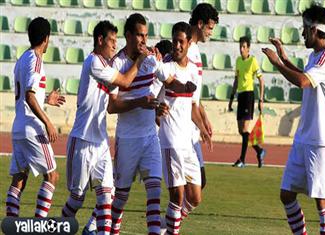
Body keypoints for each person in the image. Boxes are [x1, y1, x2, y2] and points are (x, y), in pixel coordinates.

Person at [107, 13, 197, 235]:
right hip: (127, 139)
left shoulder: (150, 59)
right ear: (128, 35)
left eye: (146, 35)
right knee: (120, 199)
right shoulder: (117, 64)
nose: (144, 40)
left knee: (155, 196)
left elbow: (168, 80)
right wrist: (141, 101)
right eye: (139, 35)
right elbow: (111, 106)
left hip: (150, 138)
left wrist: (186, 88)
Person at [60, 21, 150, 235]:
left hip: (100, 142)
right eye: (111, 40)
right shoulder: (94, 62)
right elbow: (126, 81)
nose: (114, 45)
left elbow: (115, 98)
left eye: (116, 41)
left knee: (106, 197)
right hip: (82, 140)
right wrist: (140, 58)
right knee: (76, 199)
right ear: (100, 40)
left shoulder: (106, 65)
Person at [262, 5, 325, 235]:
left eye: (305, 28)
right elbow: (305, 76)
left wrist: (276, 63)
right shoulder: (315, 55)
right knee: (286, 194)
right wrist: (284, 58)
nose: (302, 33)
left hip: (320, 140)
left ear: (315, 29)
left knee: (321, 201)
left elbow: (304, 81)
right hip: (305, 138)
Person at [5, 17, 65, 218]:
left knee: (19, 179)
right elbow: (30, 97)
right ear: (46, 38)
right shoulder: (36, 61)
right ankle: (39, 225)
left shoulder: (22, 59)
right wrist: (47, 122)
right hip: (32, 128)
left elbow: (28, 94)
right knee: (52, 176)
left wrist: (46, 98)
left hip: (18, 128)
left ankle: (12, 225)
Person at [157, 21, 212, 235]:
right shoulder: (165, 67)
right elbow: (151, 98)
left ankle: (165, 225)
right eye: (175, 41)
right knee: (177, 196)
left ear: (189, 43)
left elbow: (192, 107)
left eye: (181, 42)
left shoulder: (193, 70)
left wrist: (203, 129)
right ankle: (171, 230)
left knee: (195, 197)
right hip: (170, 140)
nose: (177, 46)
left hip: (187, 142)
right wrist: (156, 110)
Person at [185, 2, 218, 206]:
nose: (211, 33)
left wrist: (204, 118)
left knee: (197, 185)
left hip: (192, 127)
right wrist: (201, 126)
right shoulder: (185, 49)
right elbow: (185, 97)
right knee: (185, 189)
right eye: (210, 28)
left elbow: (194, 95)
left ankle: (166, 226)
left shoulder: (195, 50)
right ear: (200, 23)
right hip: (181, 128)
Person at [228, 36, 266, 168]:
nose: (241, 49)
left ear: (248, 48)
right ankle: (259, 150)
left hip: (249, 95)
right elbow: (236, 80)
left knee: (245, 129)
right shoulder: (238, 61)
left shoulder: (253, 61)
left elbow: (261, 80)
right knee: (241, 131)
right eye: (240, 46)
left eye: (244, 47)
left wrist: (261, 99)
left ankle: (242, 160)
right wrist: (231, 98)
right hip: (240, 96)